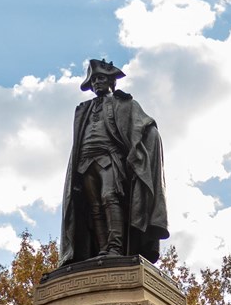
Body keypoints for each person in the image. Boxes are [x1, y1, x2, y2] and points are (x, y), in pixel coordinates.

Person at [58, 58, 169, 266]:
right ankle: (102, 250)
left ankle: (116, 247)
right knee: (94, 206)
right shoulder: (84, 109)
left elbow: (145, 126)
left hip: (110, 157)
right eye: (93, 80)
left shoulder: (125, 104)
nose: (96, 83)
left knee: (110, 197)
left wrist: (147, 140)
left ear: (111, 81)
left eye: (101, 78)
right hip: (85, 161)